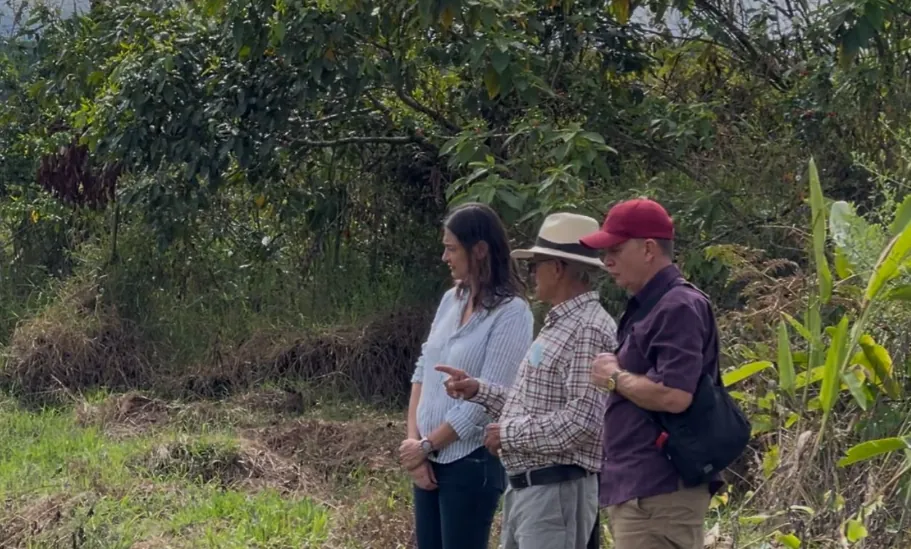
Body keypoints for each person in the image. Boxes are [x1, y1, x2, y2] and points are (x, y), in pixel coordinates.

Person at [437, 212, 617, 549]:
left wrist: (508, 434)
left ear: (558, 268)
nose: (531, 273)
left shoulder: (588, 329)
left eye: (536, 264)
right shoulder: (561, 324)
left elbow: (582, 422)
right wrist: (479, 391)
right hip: (531, 490)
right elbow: (537, 404)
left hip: (556, 491)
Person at [580, 198, 720, 549]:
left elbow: (674, 395)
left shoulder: (678, 307)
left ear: (648, 249)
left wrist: (614, 377)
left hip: (660, 494)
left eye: (615, 249)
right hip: (646, 494)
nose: (607, 261)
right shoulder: (654, 305)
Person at [401, 202, 534, 549]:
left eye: (451, 248)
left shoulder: (512, 313)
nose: (445, 257)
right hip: (427, 458)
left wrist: (428, 444)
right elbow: (423, 369)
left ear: (479, 251)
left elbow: (490, 399)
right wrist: (414, 444)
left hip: (470, 462)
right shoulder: (450, 300)